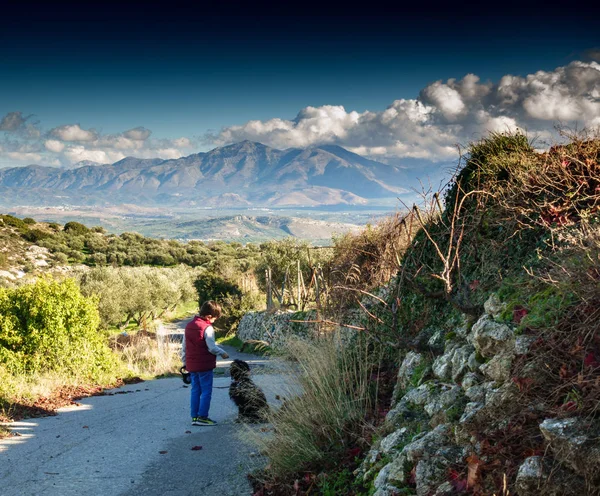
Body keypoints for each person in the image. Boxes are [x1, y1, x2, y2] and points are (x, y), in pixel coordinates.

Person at [181, 300, 229, 426]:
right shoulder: (207, 328)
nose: (214, 321)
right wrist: (222, 353)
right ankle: (203, 416)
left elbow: (184, 347)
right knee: (206, 391)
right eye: (214, 319)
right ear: (209, 316)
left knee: (195, 390)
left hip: (192, 365)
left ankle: (195, 417)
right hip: (204, 365)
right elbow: (211, 347)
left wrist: (185, 362)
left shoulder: (189, 326)